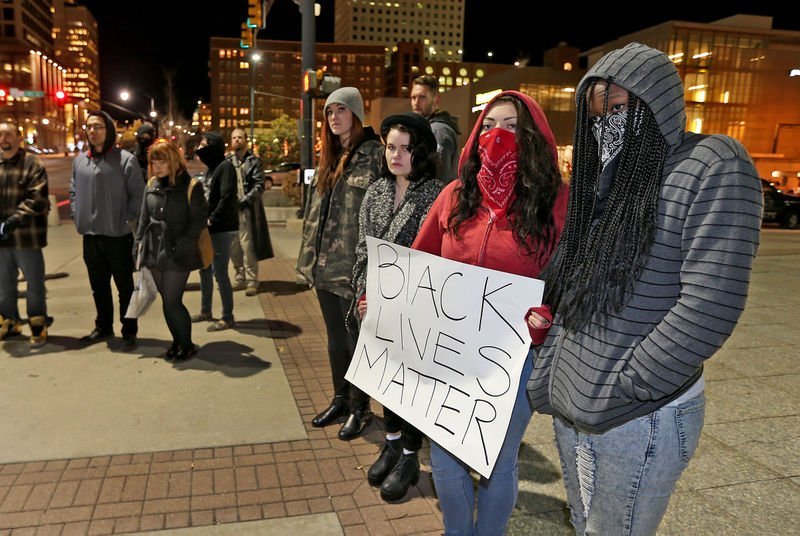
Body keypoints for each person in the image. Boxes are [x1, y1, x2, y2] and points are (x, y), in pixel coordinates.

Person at [528, 42, 763, 535]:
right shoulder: (606, 182)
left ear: (657, 104)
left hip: (639, 414)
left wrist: (632, 380)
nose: (606, 123)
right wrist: (549, 373)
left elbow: (710, 301)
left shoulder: (711, 164)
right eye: (597, 112)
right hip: (573, 405)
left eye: (619, 107)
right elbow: (572, 285)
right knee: (584, 524)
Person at [412, 90, 569, 534]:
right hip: (451, 352)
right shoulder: (454, 196)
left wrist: (548, 315)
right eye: (490, 125)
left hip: (514, 357)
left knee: (498, 461)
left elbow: (571, 280)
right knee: (444, 458)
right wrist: (384, 303)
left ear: (535, 137)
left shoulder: (558, 201)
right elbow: (419, 263)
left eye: (514, 127)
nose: (499, 135)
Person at [352, 112, 442, 501]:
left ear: (419, 152)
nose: (396, 155)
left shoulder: (438, 193)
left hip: (418, 309)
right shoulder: (375, 193)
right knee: (383, 380)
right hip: (377, 306)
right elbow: (362, 250)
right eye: (391, 146)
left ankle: (409, 454)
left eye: (405, 148)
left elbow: (441, 256)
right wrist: (361, 293)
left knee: (412, 385)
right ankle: (390, 444)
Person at [296, 87, 383, 441]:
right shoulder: (330, 157)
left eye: (341, 110)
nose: (334, 117)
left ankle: (361, 409)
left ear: (357, 115)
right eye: (329, 111)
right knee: (335, 340)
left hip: (355, 270)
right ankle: (341, 400)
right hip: (325, 267)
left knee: (356, 341)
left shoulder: (375, 155)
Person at [70, 110, 145, 349]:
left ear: (109, 130)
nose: (93, 131)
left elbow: (138, 195)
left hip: (118, 236)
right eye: (89, 127)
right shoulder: (80, 161)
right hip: (90, 237)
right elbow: (73, 191)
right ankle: (103, 326)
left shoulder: (125, 160)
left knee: (124, 287)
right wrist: (76, 213)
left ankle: (129, 330)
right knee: (98, 287)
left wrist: (128, 219)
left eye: (98, 127)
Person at [135, 140, 208, 361]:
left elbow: (197, 222)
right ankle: (177, 341)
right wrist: (137, 245)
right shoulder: (151, 184)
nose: (157, 166)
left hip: (177, 251)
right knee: (167, 299)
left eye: (162, 161)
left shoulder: (190, 186)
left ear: (173, 161)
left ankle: (186, 344)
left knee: (172, 301)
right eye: (154, 161)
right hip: (153, 249)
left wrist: (180, 246)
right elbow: (144, 218)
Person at [0, 121, 50, 347]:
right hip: (2, 240)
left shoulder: (32, 163)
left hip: (26, 236)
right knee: (4, 284)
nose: (3, 140)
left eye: (8, 135)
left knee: (34, 283)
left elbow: (37, 199)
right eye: (0, 136)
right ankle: (10, 321)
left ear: (19, 138)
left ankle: (37, 324)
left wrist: (11, 221)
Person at [192, 131, 238, 331]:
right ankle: (206, 310)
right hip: (208, 227)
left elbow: (227, 197)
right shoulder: (211, 169)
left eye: (204, 144)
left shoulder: (225, 167)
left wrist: (213, 218)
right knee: (204, 269)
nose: (200, 149)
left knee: (220, 273)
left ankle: (227, 316)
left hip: (221, 228)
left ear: (213, 146)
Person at [227, 128, 272, 296]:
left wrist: (244, 201)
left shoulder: (254, 161)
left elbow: (259, 185)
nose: (237, 140)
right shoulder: (227, 162)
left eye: (240, 137)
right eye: (234, 137)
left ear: (246, 140)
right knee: (234, 247)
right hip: (230, 211)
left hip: (247, 210)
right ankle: (239, 277)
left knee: (248, 246)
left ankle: (252, 280)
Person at [410, 74, 460, 183]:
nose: (416, 102)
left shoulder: (437, 131)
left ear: (436, 100)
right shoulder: (429, 128)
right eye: (413, 97)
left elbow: (439, 177)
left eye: (422, 97)